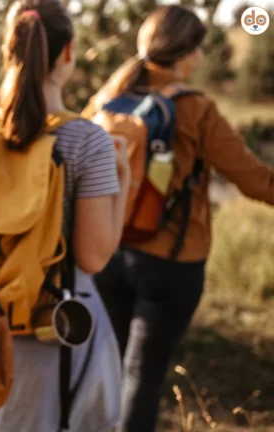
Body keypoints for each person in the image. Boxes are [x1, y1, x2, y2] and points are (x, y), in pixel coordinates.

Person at [0, 0, 131, 430]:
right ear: (68, 52)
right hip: (55, 333)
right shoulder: (88, 142)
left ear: (9, 49)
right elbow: (94, 257)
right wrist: (124, 178)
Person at [85, 5, 274, 432]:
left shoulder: (107, 97)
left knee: (109, 369)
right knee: (142, 377)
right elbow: (253, 179)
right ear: (186, 53)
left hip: (106, 252)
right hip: (171, 262)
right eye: (199, 50)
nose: (202, 58)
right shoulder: (196, 109)